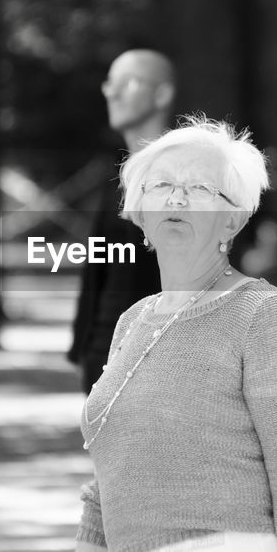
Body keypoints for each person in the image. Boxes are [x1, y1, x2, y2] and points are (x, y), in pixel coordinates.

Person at [55, 118, 277, 552]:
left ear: (234, 219)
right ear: (138, 211)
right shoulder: (132, 323)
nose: (177, 199)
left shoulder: (264, 317)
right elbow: (109, 487)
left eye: (199, 188)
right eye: (161, 185)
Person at [68, 49, 174, 394]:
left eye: (126, 83)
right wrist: (84, 348)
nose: (112, 93)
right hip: (104, 366)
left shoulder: (182, 176)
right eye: (108, 84)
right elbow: (101, 269)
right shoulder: (117, 179)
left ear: (162, 94)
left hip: (154, 371)